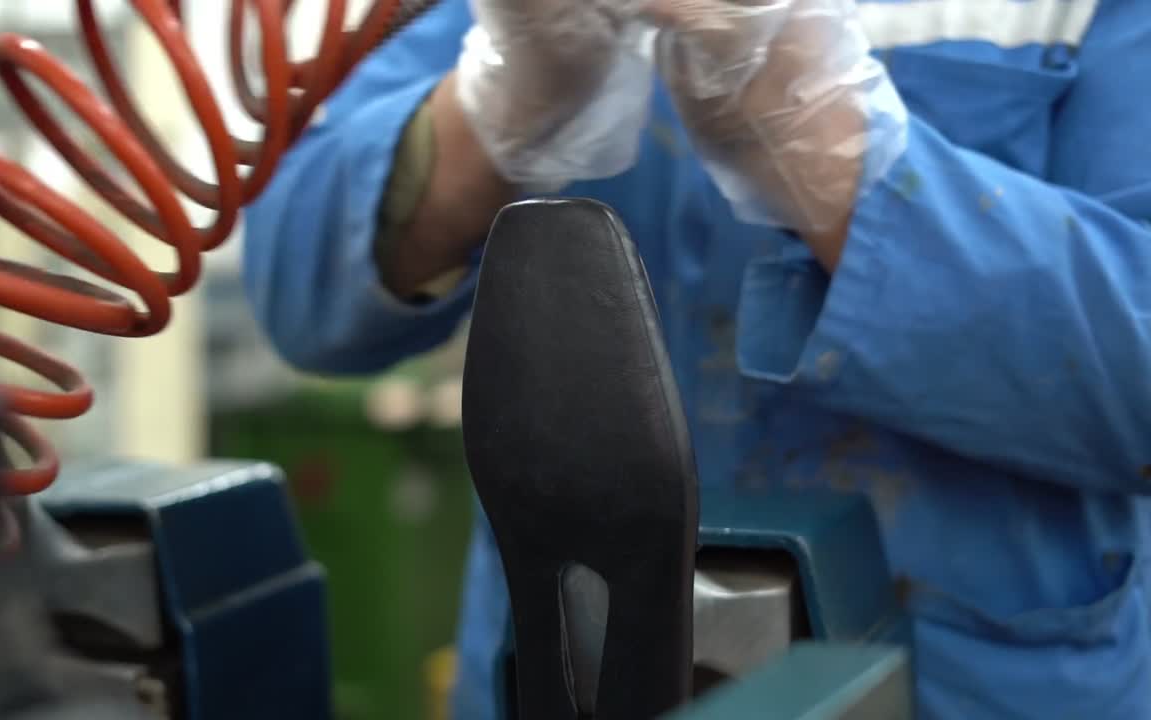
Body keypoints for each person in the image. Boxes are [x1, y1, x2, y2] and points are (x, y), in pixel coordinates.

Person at [242, 0, 1151, 717]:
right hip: (572, 662)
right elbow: (302, 290)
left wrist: (829, 146)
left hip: (974, 682)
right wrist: (504, 100)